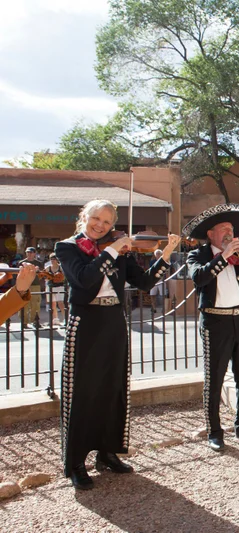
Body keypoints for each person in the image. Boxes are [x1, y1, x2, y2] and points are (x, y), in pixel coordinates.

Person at [55, 199, 180, 490]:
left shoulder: (119, 251)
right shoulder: (68, 247)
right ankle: (75, 463)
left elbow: (145, 283)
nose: (100, 225)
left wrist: (167, 254)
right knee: (81, 392)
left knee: (113, 388)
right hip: (85, 323)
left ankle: (107, 453)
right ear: (84, 216)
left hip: (113, 320)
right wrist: (112, 249)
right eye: (96, 218)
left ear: (113, 225)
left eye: (107, 222)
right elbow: (84, 280)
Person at [184, 203, 239, 452]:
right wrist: (223, 255)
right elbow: (199, 279)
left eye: (231, 228)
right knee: (214, 378)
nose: (229, 232)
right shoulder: (198, 255)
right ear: (211, 234)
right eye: (223, 228)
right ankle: (214, 432)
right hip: (214, 321)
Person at [19, 247, 44, 328]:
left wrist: (38, 271)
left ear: (34, 253)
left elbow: (42, 275)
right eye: (28, 252)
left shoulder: (39, 263)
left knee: (35, 304)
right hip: (24, 285)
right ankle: (24, 322)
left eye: (31, 252)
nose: (29, 254)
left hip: (35, 285)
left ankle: (35, 321)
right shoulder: (22, 262)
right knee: (24, 304)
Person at [45, 253, 67, 326]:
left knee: (60, 303)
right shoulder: (48, 268)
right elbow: (45, 277)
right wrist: (50, 277)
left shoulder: (61, 268)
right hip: (51, 287)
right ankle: (55, 319)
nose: (52, 261)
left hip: (59, 287)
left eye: (54, 259)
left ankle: (66, 318)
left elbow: (65, 277)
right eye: (51, 259)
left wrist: (59, 278)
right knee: (52, 303)